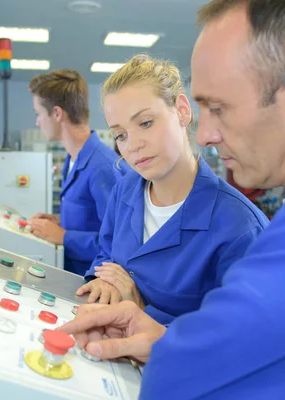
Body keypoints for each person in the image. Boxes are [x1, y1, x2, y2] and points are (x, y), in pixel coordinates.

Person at [58, 0, 285, 398]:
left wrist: (174, 351)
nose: (205, 134)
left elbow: (213, 374)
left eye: (219, 108)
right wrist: (164, 340)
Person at [76, 54, 268, 325]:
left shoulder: (241, 229)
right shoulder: (126, 190)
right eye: (120, 135)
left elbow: (240, 340)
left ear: (182, 110)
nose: (133, 145)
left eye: (145, 123)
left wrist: (141, 310)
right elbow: (105, 255)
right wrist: (103, 282)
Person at [27, 69, 127, 276]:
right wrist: (60, 224)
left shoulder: (102, 168)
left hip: (93, 283)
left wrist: (63, 236)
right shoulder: (73, 159)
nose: (37, 122)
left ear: (56, 113)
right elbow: (92, 220)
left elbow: (120, 243)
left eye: (38, 114)